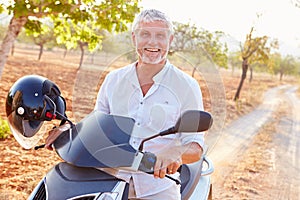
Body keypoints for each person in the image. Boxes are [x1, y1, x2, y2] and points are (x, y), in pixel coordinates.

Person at [46, 9, 205, 200]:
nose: (152, 42)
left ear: (170, 40)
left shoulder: (187, 86)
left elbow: (195, 147)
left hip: (157, 187)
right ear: (134, 38)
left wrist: (176, 152)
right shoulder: (113, 79)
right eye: (145, 34)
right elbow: (97, 126)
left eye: (160, 36)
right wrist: (68, 130)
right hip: (106, 180)